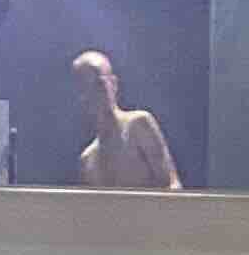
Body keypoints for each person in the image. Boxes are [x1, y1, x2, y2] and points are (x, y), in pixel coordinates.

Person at [73, 49, 180, 191]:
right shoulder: (87, 160)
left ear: (113, 84)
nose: (94, 93)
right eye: (86, 86)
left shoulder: (139, 125)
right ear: (80, 95)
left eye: (99, 83)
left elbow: (172, 186)